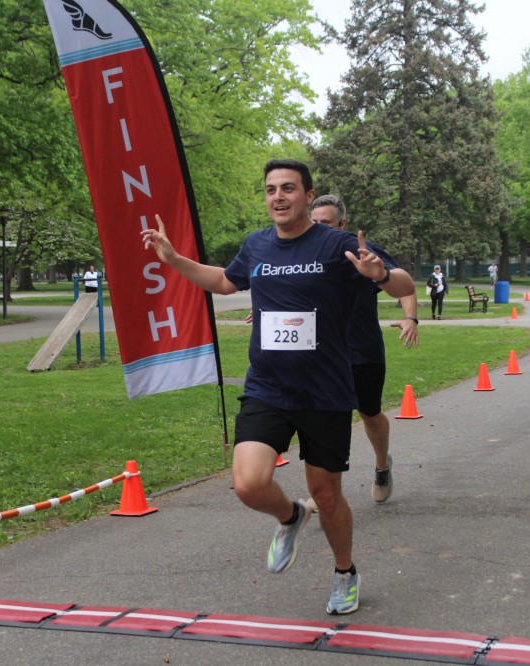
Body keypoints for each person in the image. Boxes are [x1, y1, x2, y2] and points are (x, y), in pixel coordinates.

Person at [141, 158, 415, 615]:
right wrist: (174, 260)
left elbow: (404, 283)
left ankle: (345, 572)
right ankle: (291, 516)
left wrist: (380, 275)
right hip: (268, 386)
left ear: (308, 195)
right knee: (248, 484)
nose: (278, 197)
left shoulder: (337, 244)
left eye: (288, 188)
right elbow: (224, 282)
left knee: (327, 495)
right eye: (271, 189)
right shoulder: (257, 245)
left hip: (325, 391)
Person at [309, 194, 419, 505]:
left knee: (369, 414)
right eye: (314, 223)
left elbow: (402, 282)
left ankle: (382, 465)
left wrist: (410, 318)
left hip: (362, 351)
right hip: (324, 354)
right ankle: (325, 489)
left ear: (342, 224)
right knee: (328, 419)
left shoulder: (361, 251)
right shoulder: (305, 255)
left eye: (326, 223)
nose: (319, 229)